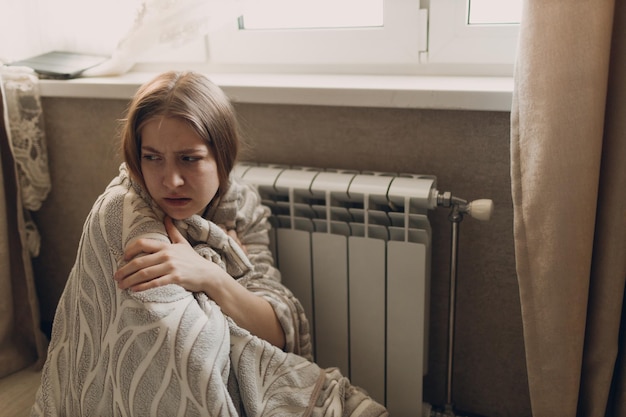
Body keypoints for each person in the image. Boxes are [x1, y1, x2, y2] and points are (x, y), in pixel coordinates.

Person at [32, 71, 387, 416]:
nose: (171, 180)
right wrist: (228, 269)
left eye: (189, 159)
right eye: (152, 157)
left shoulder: (240, 206)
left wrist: (207, 273)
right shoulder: (126, 210)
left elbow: (277, 330)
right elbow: (168, 339)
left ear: (222, 155)